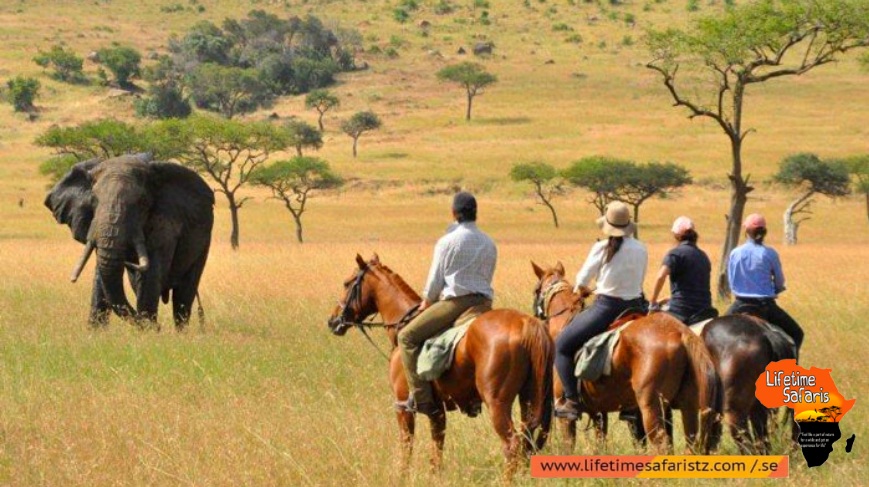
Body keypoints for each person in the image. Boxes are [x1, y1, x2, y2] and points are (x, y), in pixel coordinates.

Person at [396, 191, 497, 417]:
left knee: (406, 337)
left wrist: (426, 303)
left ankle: (421, 398)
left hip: (455, 303)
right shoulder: (489, 243)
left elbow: (435, 282)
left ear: (454, 214)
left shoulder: (447, 241)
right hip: (483, 303)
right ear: (476, 214)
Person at [554, 201, 648, 420]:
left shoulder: (602, 248)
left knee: (562, 347)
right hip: (636, 307)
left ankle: (572, 401)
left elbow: (581, 280)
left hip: (607, 308)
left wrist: (583, 289)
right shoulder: (641, 248)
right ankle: (631, 405)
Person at [727, 213, 804, 354]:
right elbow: (780, 281)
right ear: (764, 231)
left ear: (746, 231)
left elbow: (731, 282)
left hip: (739, 304)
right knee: (797, 333)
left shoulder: (735, 253)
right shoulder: (770, 253)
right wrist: (777, 289)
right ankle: (790, 373)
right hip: (765, 306)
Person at [649, 216, 717, 324]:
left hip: (681, 311)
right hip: (705, 309)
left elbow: (661, 276)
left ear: (676, 236)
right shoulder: (703, 255)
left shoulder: (675, 253)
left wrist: (653, 303)